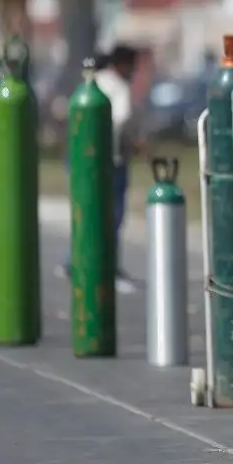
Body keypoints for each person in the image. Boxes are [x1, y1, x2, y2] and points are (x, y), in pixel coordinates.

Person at [57, 44, 140, 294]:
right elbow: (123, 118)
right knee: (112, 215)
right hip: (111, 161)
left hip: (81, 159)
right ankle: (108, 268)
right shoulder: (118, 86)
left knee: (86, 210)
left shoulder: (88, 85)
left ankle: (76, 261)